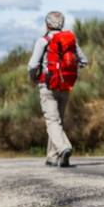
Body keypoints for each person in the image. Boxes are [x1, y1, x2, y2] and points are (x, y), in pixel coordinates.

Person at [27, 11, 87, 168]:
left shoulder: (43, 41)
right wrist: (69, 70)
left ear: (47, 24)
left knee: (52, 121)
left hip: (47, 86)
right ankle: (52, 157)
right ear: (62, 23)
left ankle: (63, 148)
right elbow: (83, 61)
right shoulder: (70, 41)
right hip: (65, 85)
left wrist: (34, 78)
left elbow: (33, 65)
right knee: (57, 122)